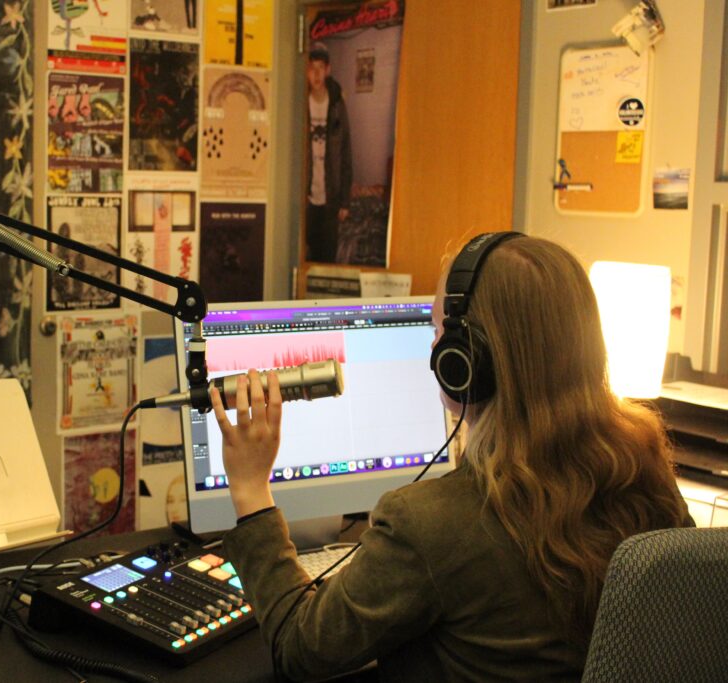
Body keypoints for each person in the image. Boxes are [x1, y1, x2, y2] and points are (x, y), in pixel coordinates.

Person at [211, 233, 693, 681]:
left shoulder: (429, 523)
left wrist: (251, 490)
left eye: (440, 330)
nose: (434, 348)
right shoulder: (647, 476)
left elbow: (302, 648)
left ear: (465, 362)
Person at [306, 41, 352, 264]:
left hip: (331, 198)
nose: (316, 75)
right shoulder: (299, 103)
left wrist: (345, 201)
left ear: (328, 70)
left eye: (320, 68)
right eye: (311, 68)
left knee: (327, 257)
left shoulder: (336, 104)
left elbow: (345, 153)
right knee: (306, 256)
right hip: (305, 199)